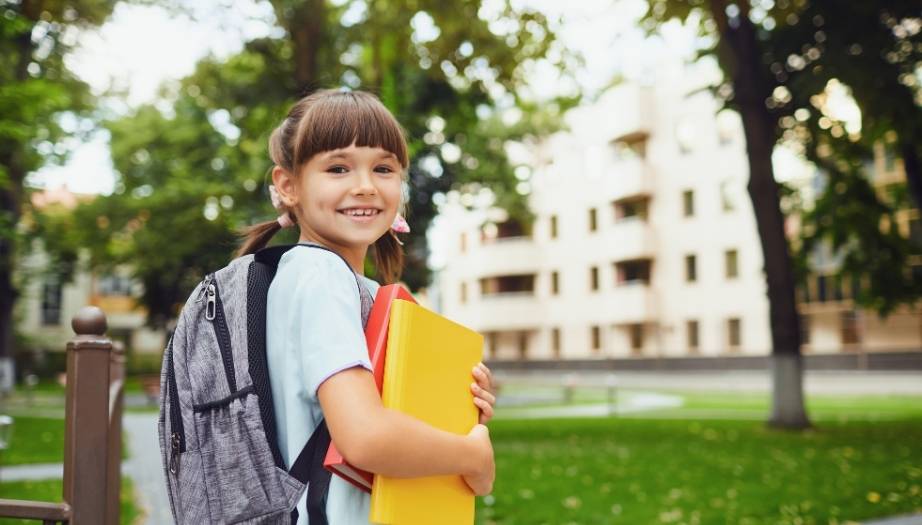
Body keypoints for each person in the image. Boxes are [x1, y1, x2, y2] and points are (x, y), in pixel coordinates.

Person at [236, 89, 497, 524]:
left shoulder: (289, 275)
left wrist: (454, 409)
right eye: (338, 168)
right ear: (289, 186)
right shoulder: (322, 277)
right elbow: (365, 437)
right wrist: (471, 454)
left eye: (383, 168)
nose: (365, 186)